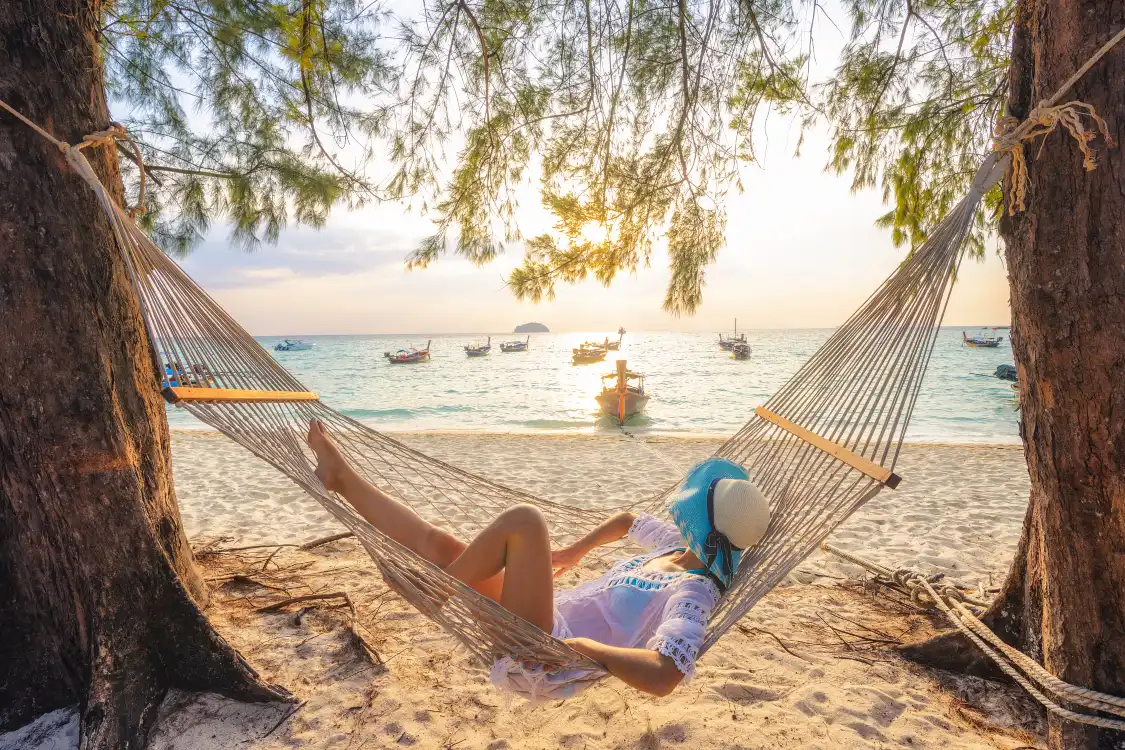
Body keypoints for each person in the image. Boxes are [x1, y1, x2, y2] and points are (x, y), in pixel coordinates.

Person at [306, 419, 771, 698]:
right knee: (447, 545)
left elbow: (666, 674)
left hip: (547, 653)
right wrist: (575, 551)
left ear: (703, 528)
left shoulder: (694, 590)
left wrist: (590, 652)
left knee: (525, 522)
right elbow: (628, 521)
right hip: (541, 624)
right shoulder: (678, 547)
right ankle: (342, 477)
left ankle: (435, 595)